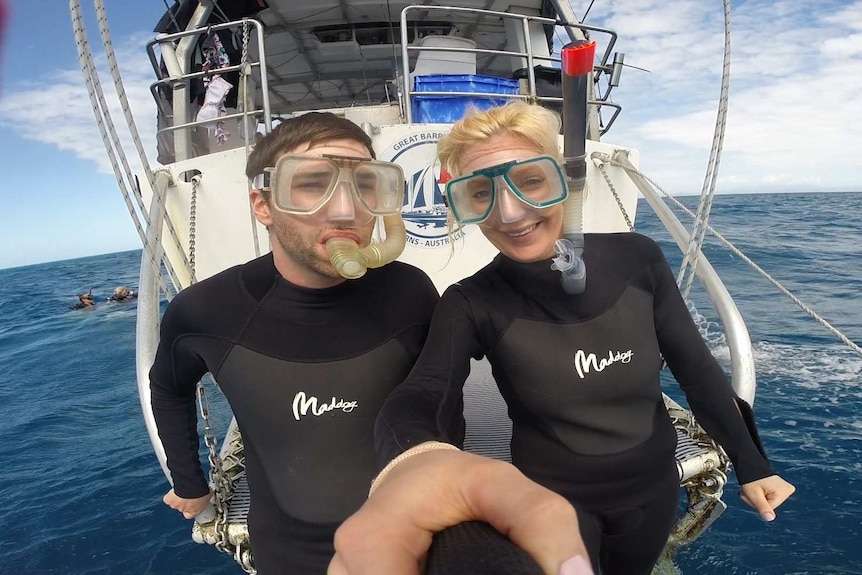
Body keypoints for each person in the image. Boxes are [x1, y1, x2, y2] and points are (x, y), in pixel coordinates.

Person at [333, 102, 795, 575]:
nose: (510, 213)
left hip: (651, 491)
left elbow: (696, 371)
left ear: (564, 181)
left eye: (530, 180)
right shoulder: (471, 302)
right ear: (460, 205)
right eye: (480, 194)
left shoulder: (638, 259)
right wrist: (411, 460)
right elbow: (423, 391)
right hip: (551, 502)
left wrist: (752, 463)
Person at [150, 111, 587, 574]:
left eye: (364, 185)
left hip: (424, 535)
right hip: (290, 551)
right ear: (264, 204)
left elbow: (436, 395)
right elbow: (169, 388)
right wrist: (189, 481)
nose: (346, 210)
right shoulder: (205, 311)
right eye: (313, 184)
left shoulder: (409, 291)